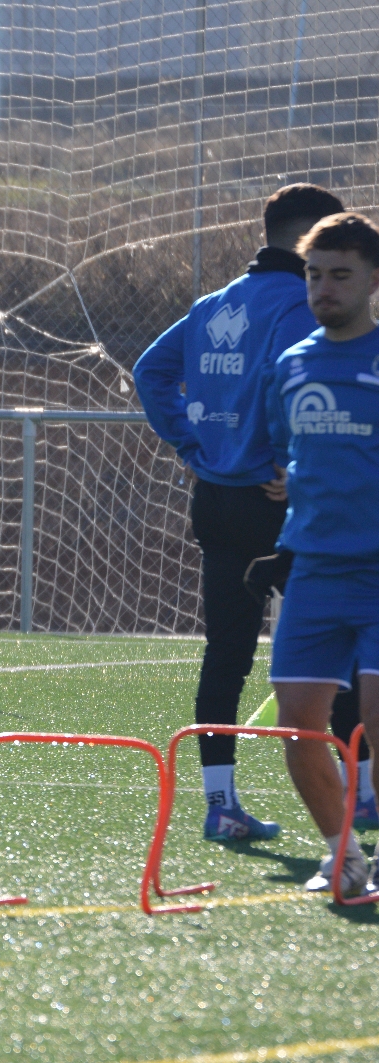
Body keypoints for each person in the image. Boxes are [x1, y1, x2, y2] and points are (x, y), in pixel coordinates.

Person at [134, 184, 349, 842]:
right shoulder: (298, 303)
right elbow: (291, 380)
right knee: (339, 641)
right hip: (274, 500)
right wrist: (285, 456)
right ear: (312, 238)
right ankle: (360, 793)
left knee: (225, 653)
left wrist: (190, 443)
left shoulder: (213, 302)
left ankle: (219, 803)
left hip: (216, 500)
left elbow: (150, 370)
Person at [264, 211, 379, 897]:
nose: (324, 288)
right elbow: (287, 455)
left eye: (339, 274)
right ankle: (344, 857)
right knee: (298, 728)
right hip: (313, 572)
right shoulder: (292, 363)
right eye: (313, 275)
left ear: (371, 278)